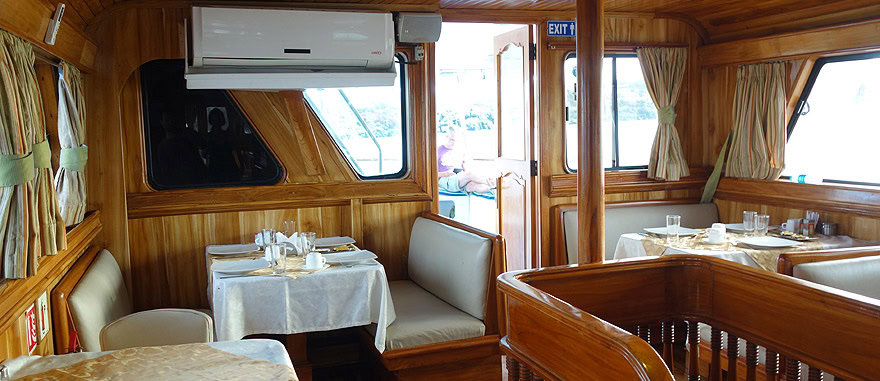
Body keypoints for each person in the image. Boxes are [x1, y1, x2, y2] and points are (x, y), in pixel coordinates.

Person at [438, 128, 495, 193]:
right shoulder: (437, 151)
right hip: (444, 180)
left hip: (454, 178)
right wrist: (445, 174)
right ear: (446, 137)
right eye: (451, 139)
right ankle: (493, 184)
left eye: (455, 140)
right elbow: (430, 174)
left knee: (472, 185)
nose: (453, 142)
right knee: (469, 174)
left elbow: (464, 166)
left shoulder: (456, 151)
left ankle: (494, 190)